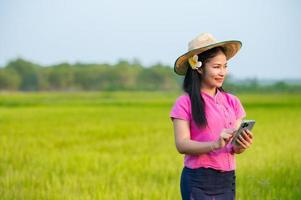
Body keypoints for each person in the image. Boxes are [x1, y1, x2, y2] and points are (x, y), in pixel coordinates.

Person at [170, 33, 254, 200]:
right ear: (199, 68)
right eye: (216, 67)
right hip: (197, 179)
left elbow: (234, 148)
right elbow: (182, 144)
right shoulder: (184, 103)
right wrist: (214, 144)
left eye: (225, 66)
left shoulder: (233, 102)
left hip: (227, 179)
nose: (222, 72)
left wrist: (241, 145)